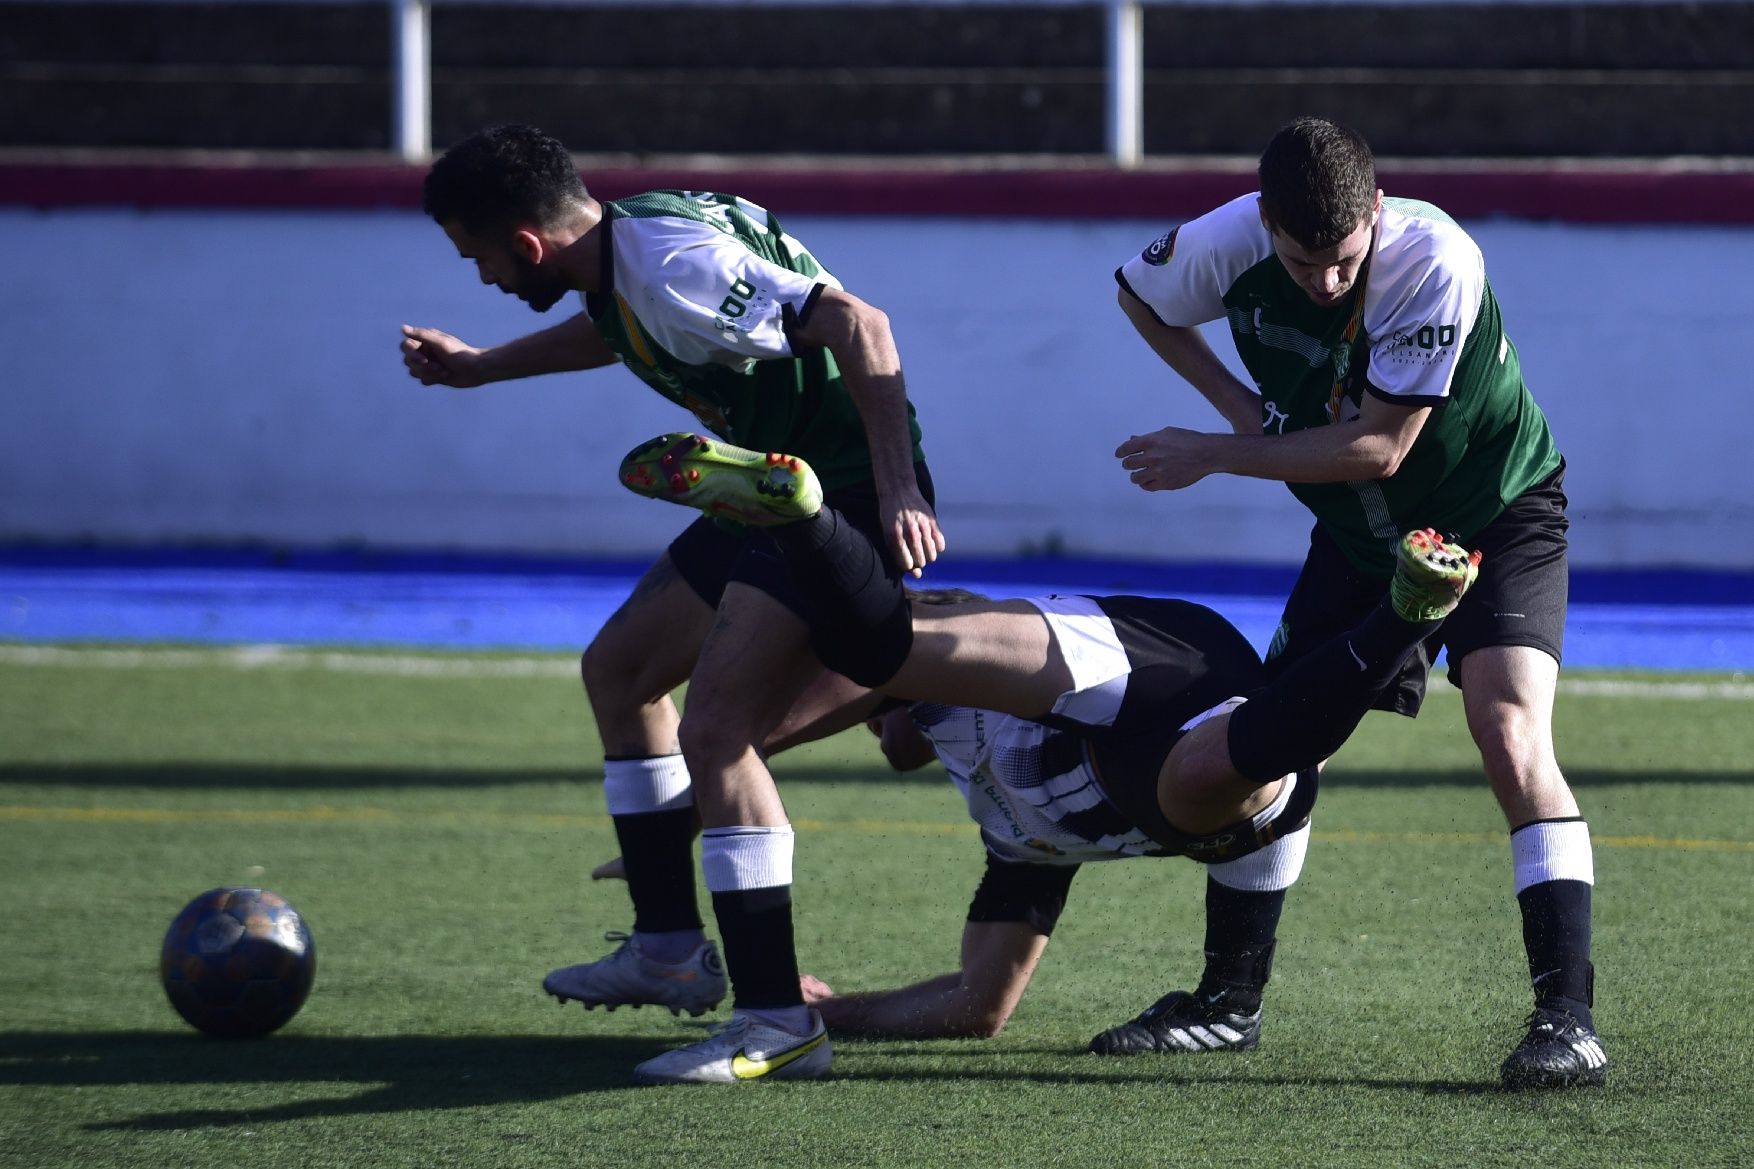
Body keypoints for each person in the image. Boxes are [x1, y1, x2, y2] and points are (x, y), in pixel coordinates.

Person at [611, 430, 1481, 1078]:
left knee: (887, 651)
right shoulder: (1014, 839)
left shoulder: (920, 686)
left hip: (1151, 660)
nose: (880, 739)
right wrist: (836, 1009)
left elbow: (781, 723)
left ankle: (805, 518)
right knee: (1208, 786)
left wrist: (681, 814)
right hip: (1191, 773)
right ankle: (1399, 619)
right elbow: (978, 1006)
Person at [402, 124, 946, 1084]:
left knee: (720, 732)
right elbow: (616, 327)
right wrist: (483, 366)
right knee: (621, 669)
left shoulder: (671, 264)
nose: (481, 277)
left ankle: (780, 1023)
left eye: (478, 256)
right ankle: (665, 948)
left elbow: (861, 324)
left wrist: (898, 488)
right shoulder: (627, 249)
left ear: (527, 244)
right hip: (762, 489)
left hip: (838, 496)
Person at [1111, 116, 1603, 1090]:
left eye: (1340, 260)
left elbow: (1380, 448)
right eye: (1300, 262)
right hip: (1353, 536)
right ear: (1264, 224)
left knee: (1507, 732)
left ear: (1374, 214)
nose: (1323, 281)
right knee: (1274, 743)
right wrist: (1238, 406)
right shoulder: (1226, 240)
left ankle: (1566, 1018)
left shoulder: (1432, 259)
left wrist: (1214, 449)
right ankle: (1226, 1003)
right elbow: (1137, 293)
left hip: (1488, 512)